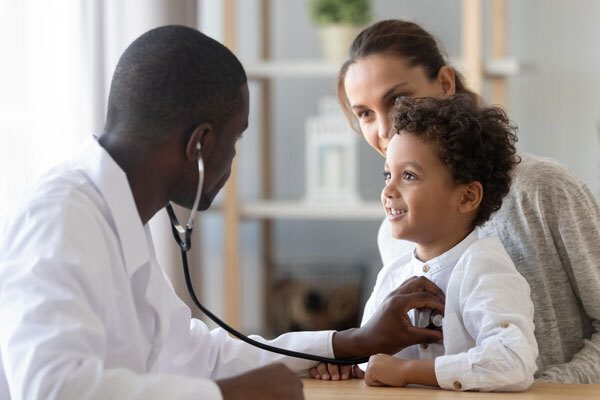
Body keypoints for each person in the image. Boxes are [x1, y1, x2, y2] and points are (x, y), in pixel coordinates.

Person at [0, 25, 447, 400]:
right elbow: (52, 388)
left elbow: (200, 354)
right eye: (235, 141)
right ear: (200, 145)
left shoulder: (116, 218)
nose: (233, 161)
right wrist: (228, 395)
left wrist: (352, 341)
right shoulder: (57, 219)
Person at [310, 19, 600, 384]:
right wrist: (353, 363)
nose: (384, 130)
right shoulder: (397, 235)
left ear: (446, 83)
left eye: (398, 100)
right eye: (365, 114)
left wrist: (546, 388)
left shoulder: (544, 189)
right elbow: (406, 357)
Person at [365, 94, 537, 391]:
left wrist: (409, 371)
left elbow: (513, 362)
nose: (388, 190)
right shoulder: (392, 275)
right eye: (386, 175)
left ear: (467, 197)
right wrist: (343, 365)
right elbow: (370, 361)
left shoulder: (485, 269)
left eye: (408, 176)